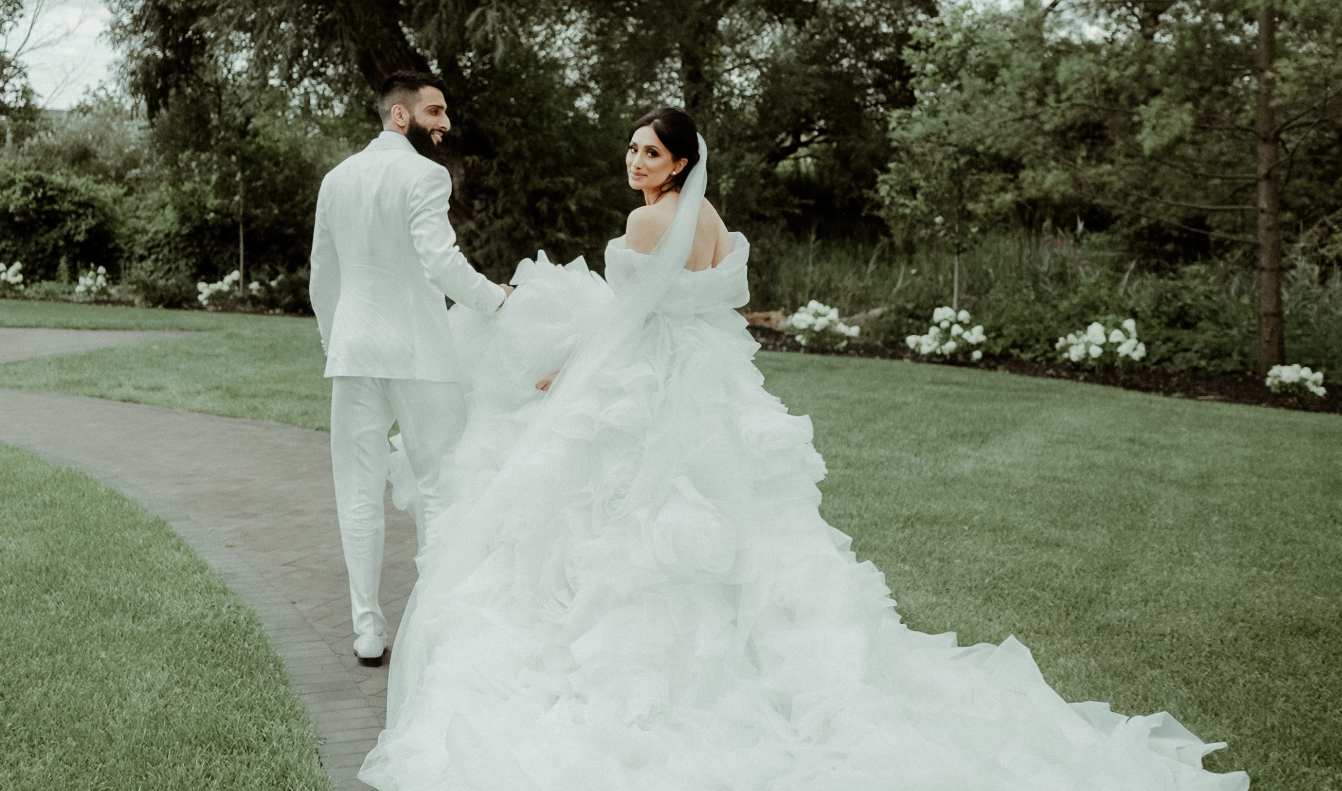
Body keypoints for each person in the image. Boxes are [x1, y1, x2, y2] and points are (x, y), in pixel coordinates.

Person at [358, 106, 1248, 789]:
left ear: (679, 165)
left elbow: (628, 319)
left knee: (630, 514)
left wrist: (564, 377)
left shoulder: (641, 227)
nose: (636, 162)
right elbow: (715, 302)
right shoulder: (715, 226)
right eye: (632, 148)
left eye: (650, 153)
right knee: (743, 515)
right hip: (713, 381)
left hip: (649, 378)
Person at [309, 70, 513, 667]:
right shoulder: (424, 175)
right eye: (436, 112)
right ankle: (440, 624)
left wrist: (336, 341)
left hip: (353, 354)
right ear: (402, 116)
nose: (446, 123)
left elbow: (324, 277)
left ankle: (367, 631)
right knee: (440, 486)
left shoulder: (336, 179)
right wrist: (497, 300)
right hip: (421, 353)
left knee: (358, 492)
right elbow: (441, 261)